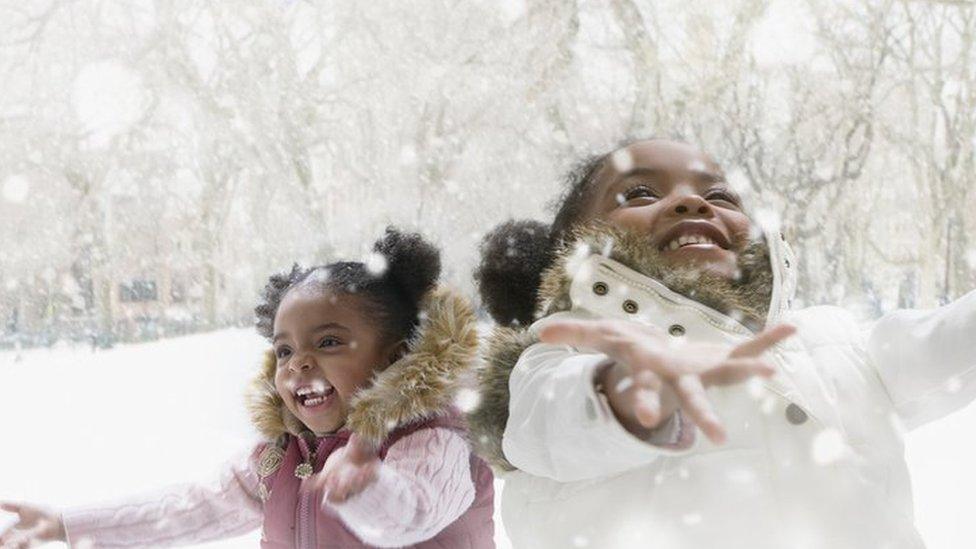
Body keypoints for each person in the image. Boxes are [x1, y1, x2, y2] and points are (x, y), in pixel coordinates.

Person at [468, 138, 976, 548]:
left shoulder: (828, 338)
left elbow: (944, 344)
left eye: (722, 196)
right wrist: (626, 391)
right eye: (639, 193)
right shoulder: (560, 357)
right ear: (572, 243)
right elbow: (549, 424)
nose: (692, 202)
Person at [1, 227, 494, 549]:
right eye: (284, 351)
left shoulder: (432, 438)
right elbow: (192, 508)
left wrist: (369, 486)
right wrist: (71, 523)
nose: (299, 362)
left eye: (328, 342)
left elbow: (414, 513)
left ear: (392, 358)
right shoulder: (281, 459)